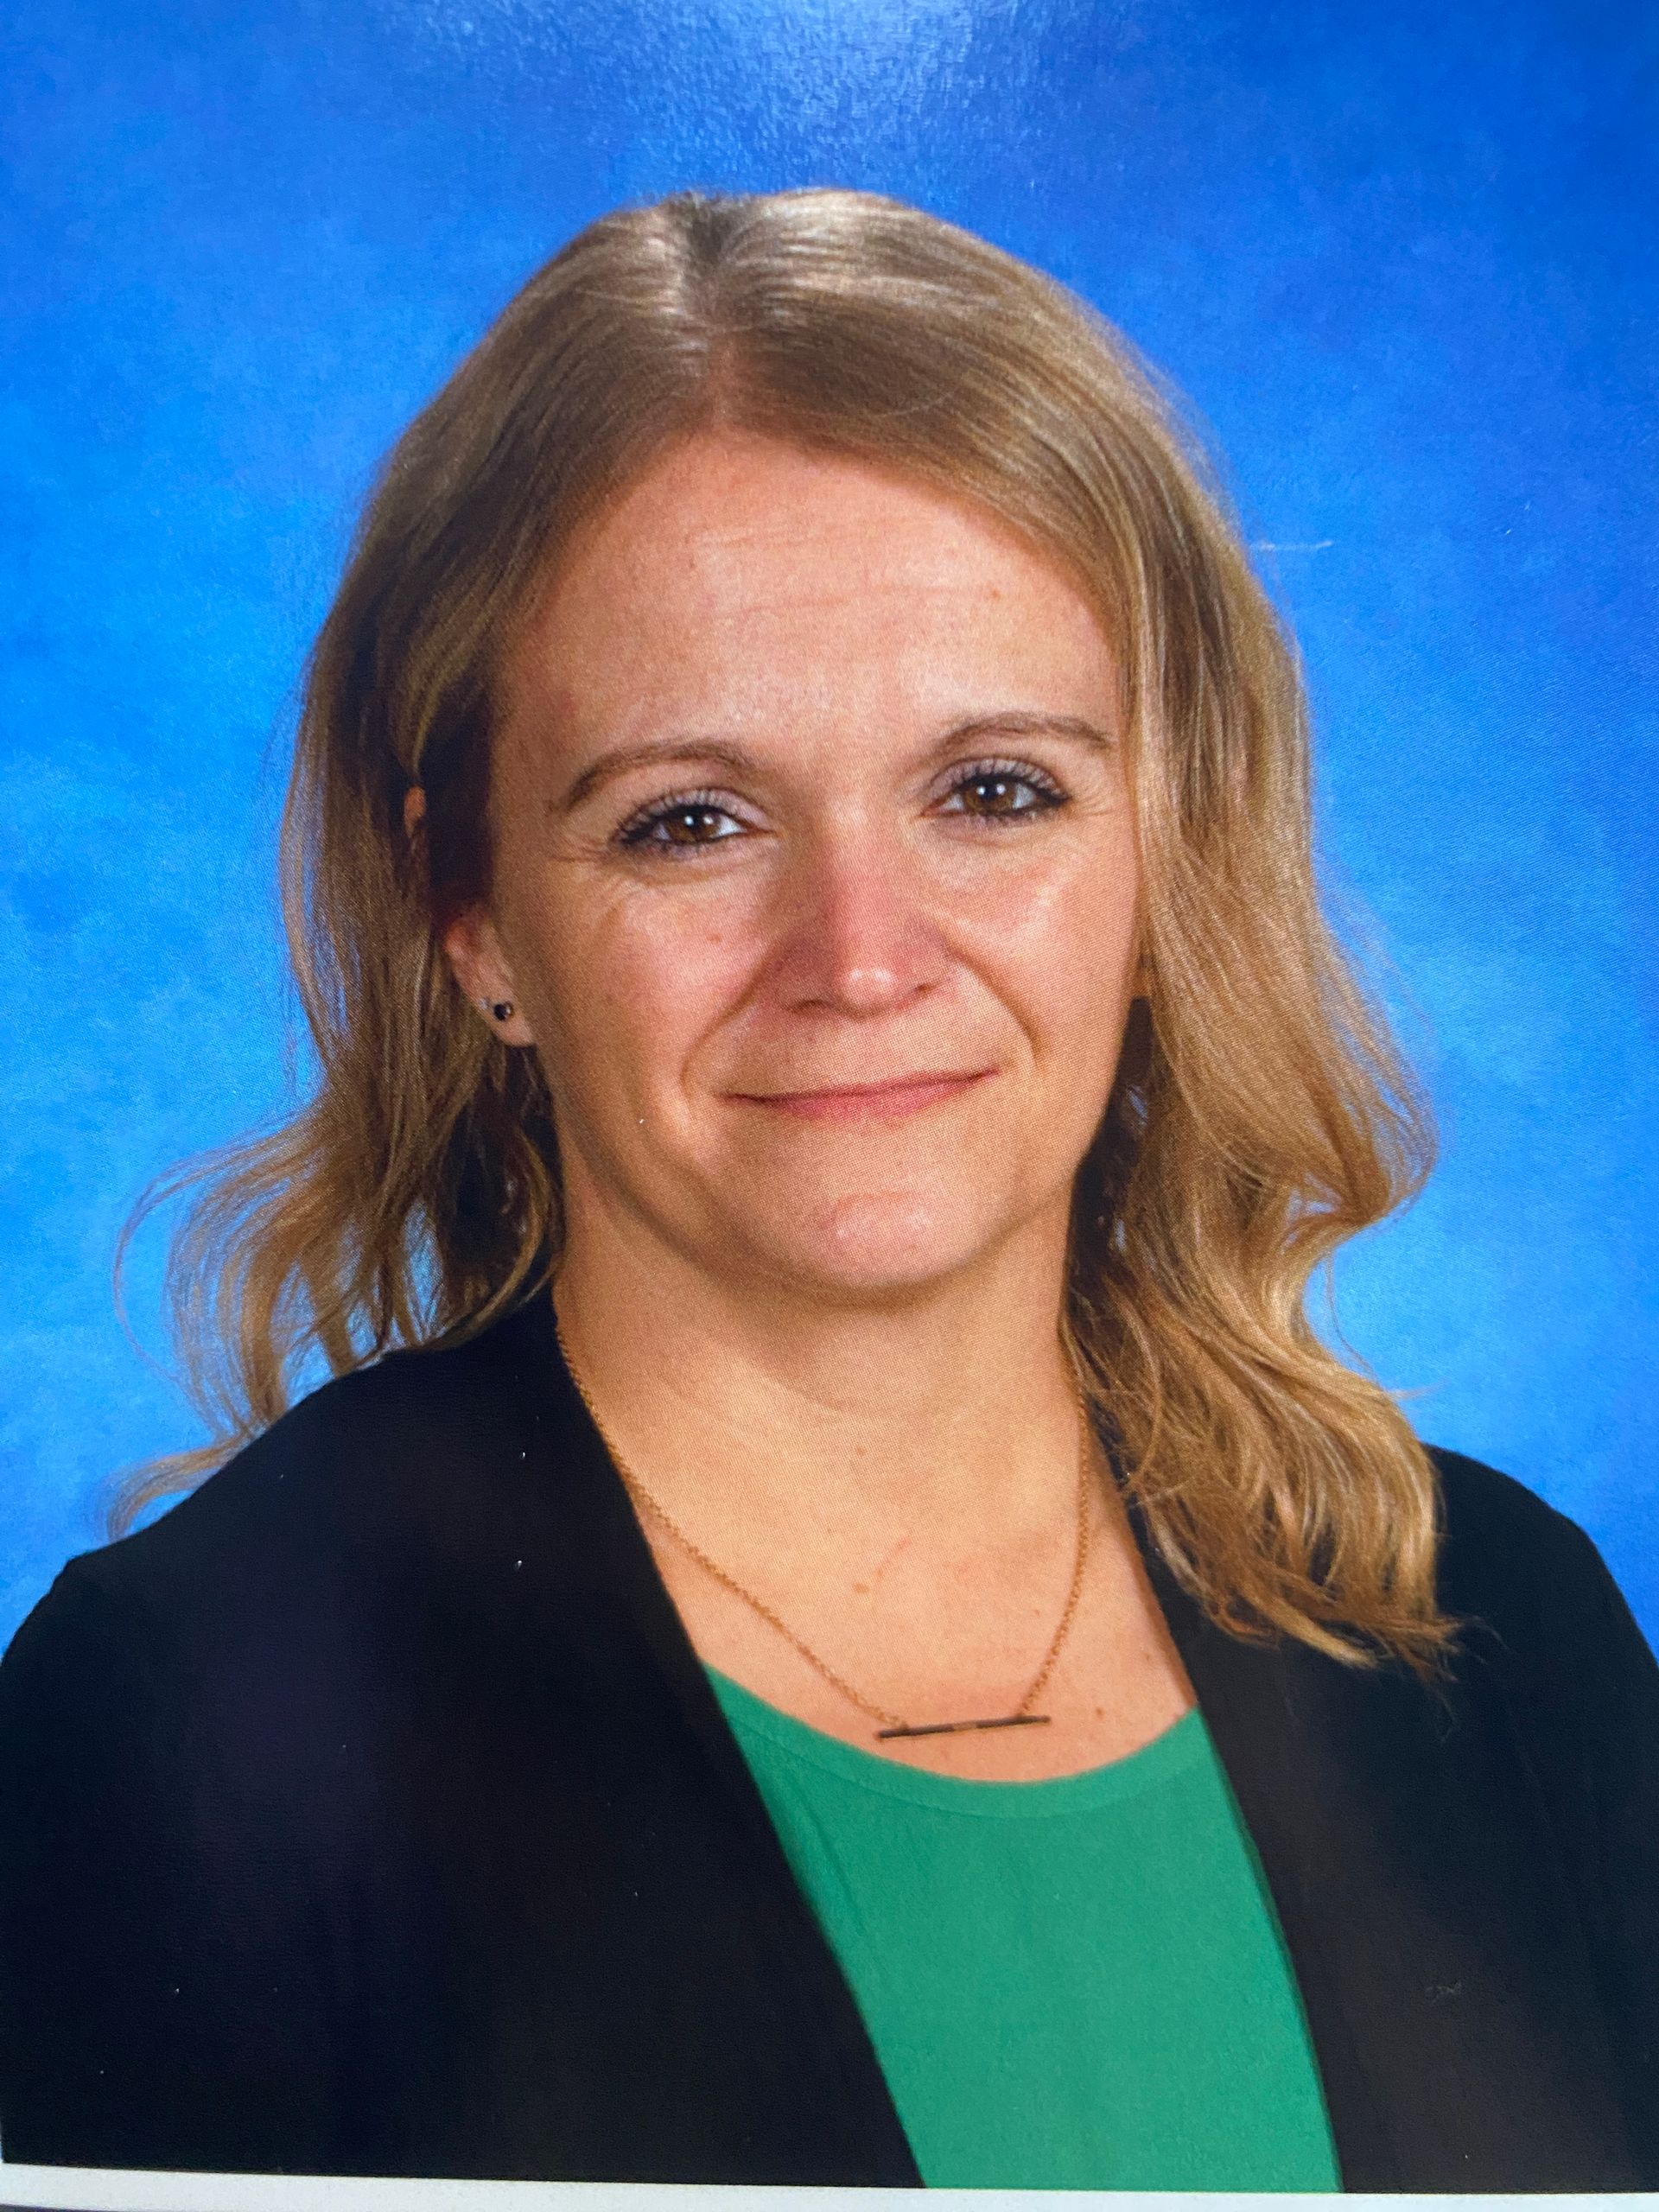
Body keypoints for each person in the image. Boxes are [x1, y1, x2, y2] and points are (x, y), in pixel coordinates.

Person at [0, 186, 1655, 2193]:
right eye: (690, 820)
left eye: (995, 792)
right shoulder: (178, 1725)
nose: (862, 955)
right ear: (472, 912)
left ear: (1167, 853)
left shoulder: (1505, 1632)